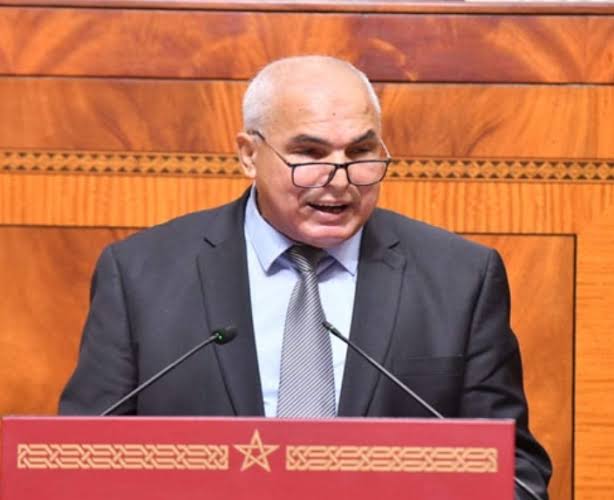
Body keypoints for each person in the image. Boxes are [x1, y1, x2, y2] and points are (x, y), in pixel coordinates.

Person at [60, 56, 551, 498]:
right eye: (310, 154)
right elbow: (79, 461)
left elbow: (515, 473)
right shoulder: (140, 275)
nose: (339, 178)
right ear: (249, 154)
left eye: (360, 153)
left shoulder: (460, 279)